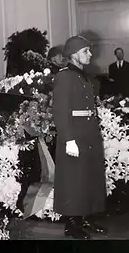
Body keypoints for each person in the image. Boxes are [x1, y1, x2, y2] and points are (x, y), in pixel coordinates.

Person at [51, 35, 107, 239]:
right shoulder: (65, 76)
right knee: (74, 180)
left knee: (89, 177)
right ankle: (72, 225)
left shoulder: (83, 76)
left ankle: (86, 218)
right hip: (75, 135)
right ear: (74, 55)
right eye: (86, 51)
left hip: (88, 133)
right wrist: (69, 139)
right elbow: (60, 110)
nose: (90, 54)